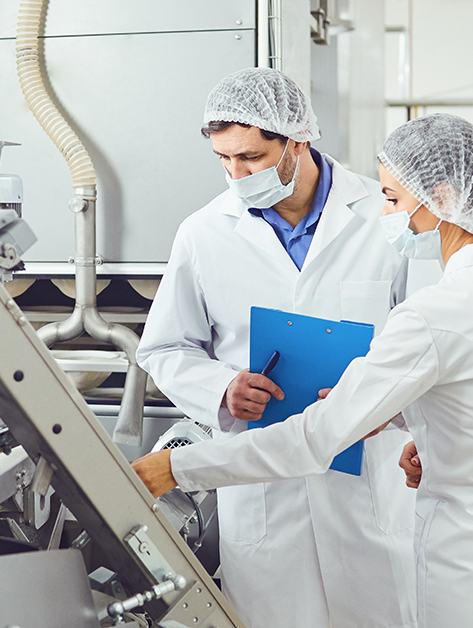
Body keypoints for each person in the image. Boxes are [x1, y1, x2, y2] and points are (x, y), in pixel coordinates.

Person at [134, 113, 473, 628]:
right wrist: (431, 429)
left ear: (444, 198)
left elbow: (314, 439)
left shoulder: (435, 315)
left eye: (392, 200)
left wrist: (176, 468)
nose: (384, 215)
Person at [136, 68, 422, 628]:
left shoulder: (385, 218)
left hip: (364, 471)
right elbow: (165, 346)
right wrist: (221, 387)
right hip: (263, 478)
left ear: (297, 142)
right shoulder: (204, 232)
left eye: (251, 158)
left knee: (378, 612)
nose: (236, 176)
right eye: (224, 160)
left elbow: (426, 336)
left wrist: (381, 397)